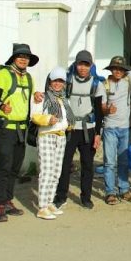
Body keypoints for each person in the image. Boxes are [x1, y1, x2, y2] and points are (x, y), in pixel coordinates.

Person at [0, 43, 37, 222]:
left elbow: (26, 100)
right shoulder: (3, 74)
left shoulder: (28, 78)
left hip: (21, 128)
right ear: (13, 58)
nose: (24, 59)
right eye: (20, 56)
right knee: (4, 165)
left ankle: (8, 200)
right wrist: (2, 106)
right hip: (4, 127)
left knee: (15, 166)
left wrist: (37, 96)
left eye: (27, 57)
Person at [53, 50, 106, 210]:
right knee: (64, 164)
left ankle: (86, 198)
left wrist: (98, 134)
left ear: (91, 66)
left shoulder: (97, 84)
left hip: (88, 129)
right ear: (75, 64)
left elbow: (98, 111)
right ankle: (61, 196)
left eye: (86, 64)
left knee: (87, 165)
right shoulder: (67, 80)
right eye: (80, 64)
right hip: (69, 128)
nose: (83, 68)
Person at [101, 55, 131, 205]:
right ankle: (110, 192)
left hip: (126, 128)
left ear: (124, 70)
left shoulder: (128, 78)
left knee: (124, 161)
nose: (118, 71)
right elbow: (100, 107)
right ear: (111, 69)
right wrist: (107, 110)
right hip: (109, 128)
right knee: (109, 162)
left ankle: (124, 190)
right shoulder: (103, 85)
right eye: (115, 68)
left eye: (120, 69)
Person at [31, 66, 74, 220]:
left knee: (56, 172)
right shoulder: (42, 97)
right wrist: (49, 119)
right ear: (50, 82)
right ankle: (42, 207)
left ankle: (49, 202)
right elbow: (34, 116)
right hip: (46, 135)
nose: (58, 84)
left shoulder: (63, 99)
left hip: (61, 137)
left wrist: (68, 124)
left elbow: (66, 117)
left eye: (61, 81)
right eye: (55, 80)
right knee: (47, 171)